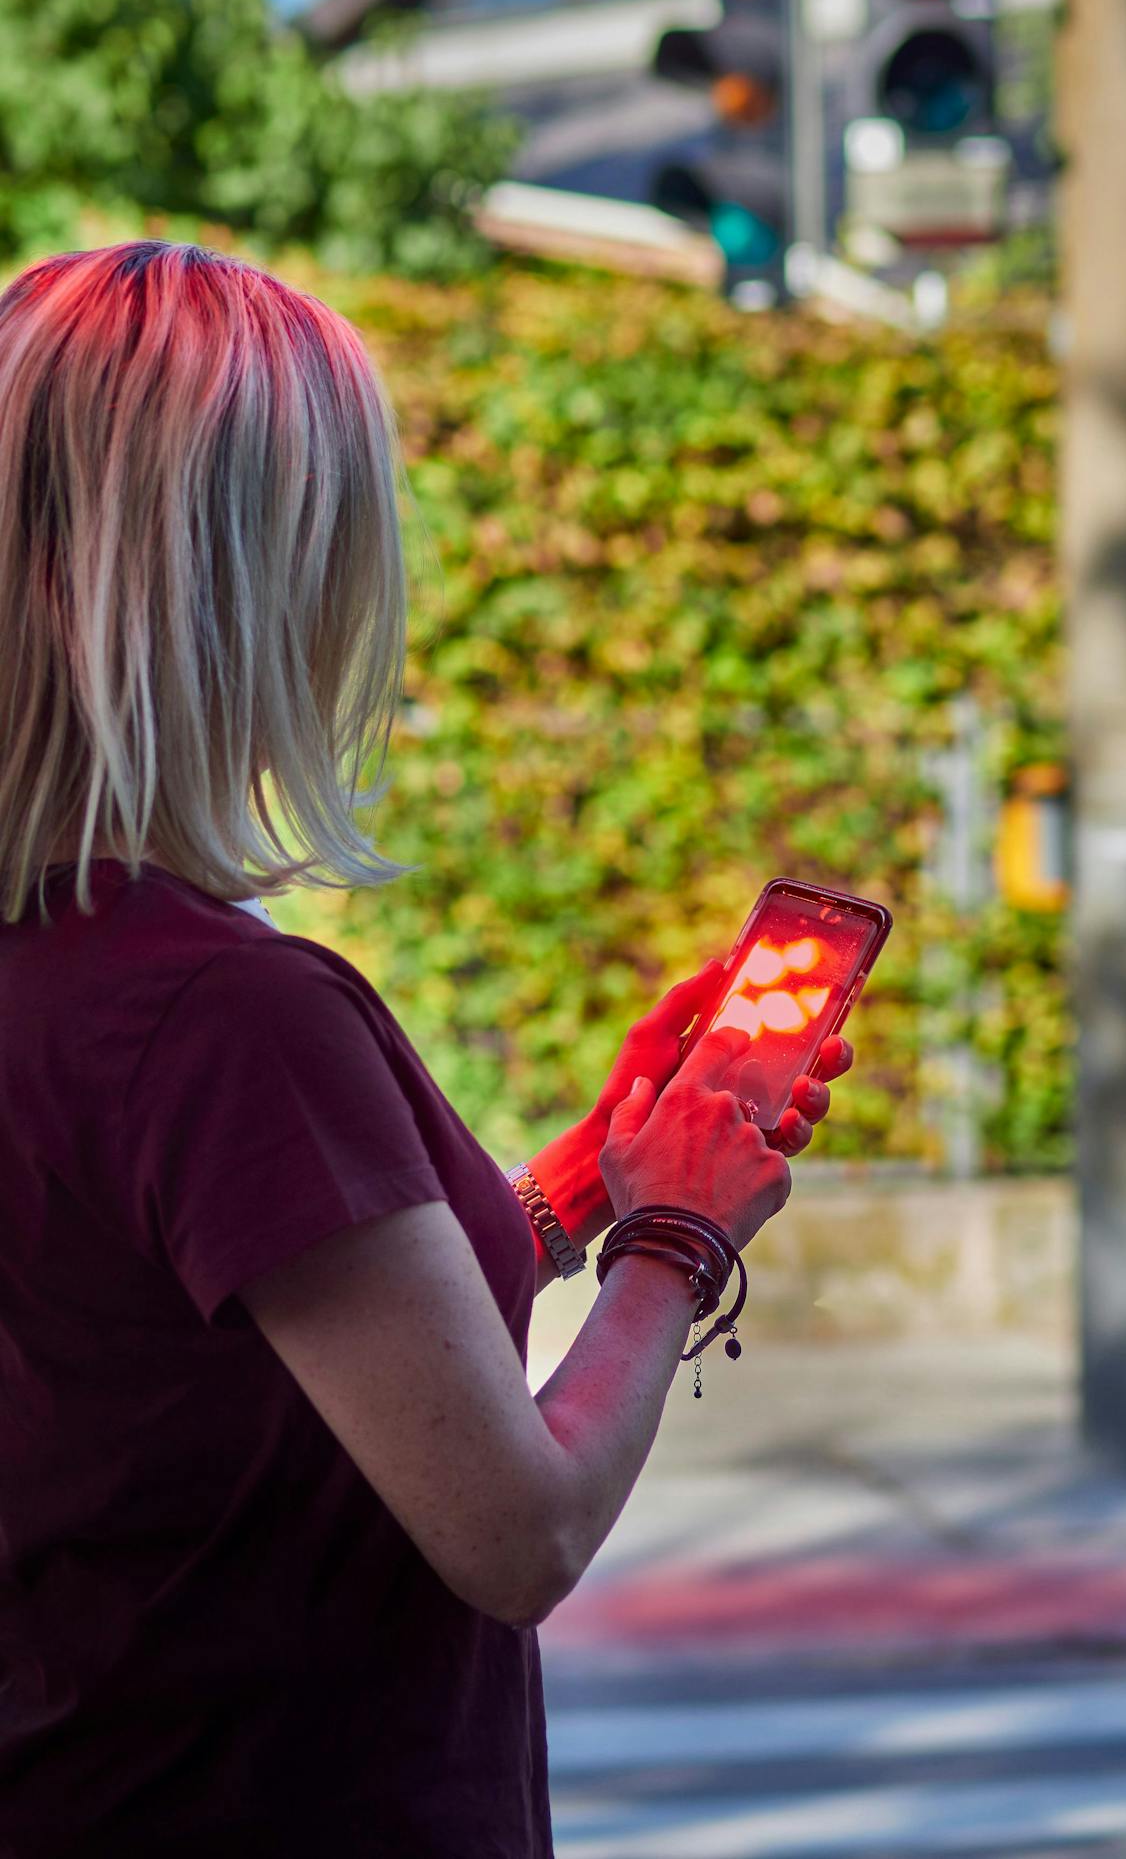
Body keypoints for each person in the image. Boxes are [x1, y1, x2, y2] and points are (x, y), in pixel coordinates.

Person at [0, 239, 856, 1859]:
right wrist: (675, 1241)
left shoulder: (55, 973)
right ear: (244, 587)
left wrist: (584, 1184)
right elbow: (516, 1529)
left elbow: (245, 1355)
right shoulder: (225, 1015)